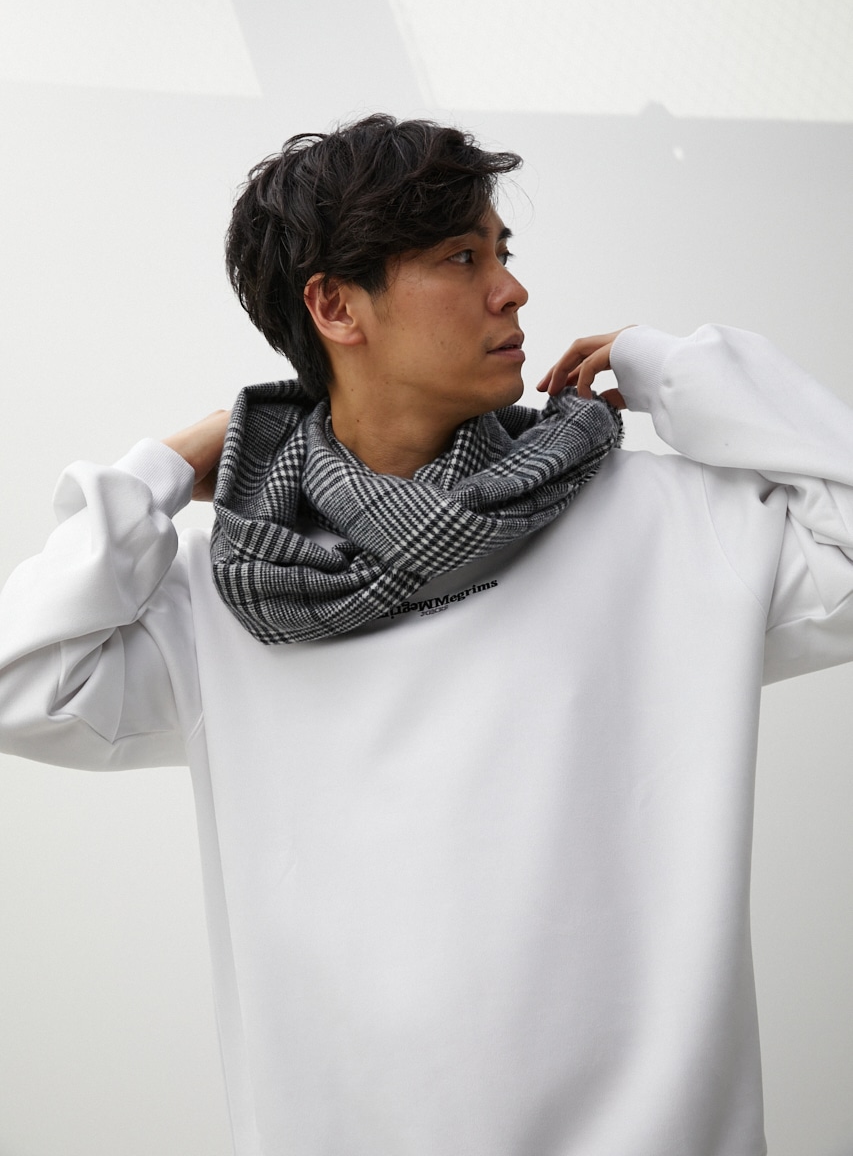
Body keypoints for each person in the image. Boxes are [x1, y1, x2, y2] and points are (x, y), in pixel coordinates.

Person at [1, 113, 852, 1156]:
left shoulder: (657, 524)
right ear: (334, 306)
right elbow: (23, 685)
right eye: (461, 257)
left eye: (502, 251)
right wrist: (169, 466)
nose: (511, 289)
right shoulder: (233, 586)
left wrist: (674, 371)